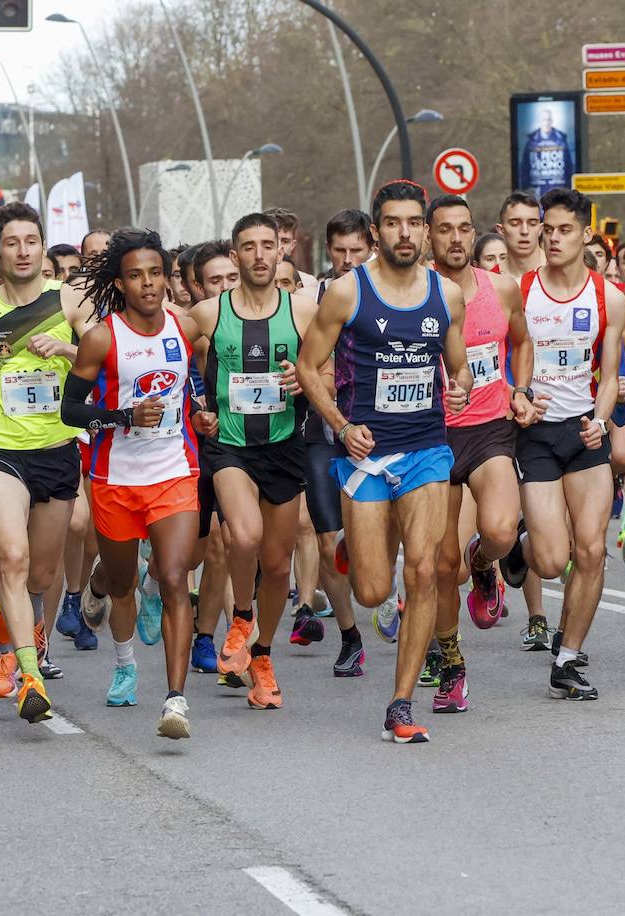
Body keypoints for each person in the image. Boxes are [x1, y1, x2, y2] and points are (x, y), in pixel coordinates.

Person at [297, 180, 472, 744]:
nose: (405, 233)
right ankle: (362, 542)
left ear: (424, 229)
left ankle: (401, 703)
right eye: (393, 223)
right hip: (367, 456)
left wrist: (461, 388)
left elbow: (459, 366)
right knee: (373, 590)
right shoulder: (348, 293)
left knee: (423, 572)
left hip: (425, 448)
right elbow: (307, 366)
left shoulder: (446, 296)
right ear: (376, 232)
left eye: (414, 222)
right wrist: (342, 427)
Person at [0, 201, 95, 724]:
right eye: (12, 242)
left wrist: (66, 350)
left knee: (43, 570)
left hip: (56, 447)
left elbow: (108, 360)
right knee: (11, 555)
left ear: (42, 245)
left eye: (32, 240)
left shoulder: (72, 301)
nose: (24, 250)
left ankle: (21, 638)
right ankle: (29, 673)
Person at [61, 228, 206, 737]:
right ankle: (123, 661)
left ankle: (175, 700)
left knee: (173, 578)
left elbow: (199, 380)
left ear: (167, 278)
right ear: (120, 284)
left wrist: (203, 413)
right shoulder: (103, 337)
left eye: (155, 273)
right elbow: (70, 409)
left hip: (174, 472)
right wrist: (123, 415)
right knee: (122, 583)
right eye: (136, 275)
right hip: (115, 478)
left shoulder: (184, 326)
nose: (148, 284)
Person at [188, 212, 319, 711]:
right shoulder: (209, 313)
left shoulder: (303, 311)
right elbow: (155, 349)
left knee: (276, 565)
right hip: (231, 445)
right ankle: (241, 616)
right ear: (236, 254)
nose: (260, 255)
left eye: (269, 245)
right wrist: (197, 410)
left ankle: (261, 656)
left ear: (280, 253)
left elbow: (327, 375)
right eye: (249, 246)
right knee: (243, 535)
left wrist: (303, 380)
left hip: (284, 445)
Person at [505, 188, 625, 701]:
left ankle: (568, 657)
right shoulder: (519, 290)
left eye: (561, 230)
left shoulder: (608, 297)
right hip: (535, 432)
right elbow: (505, 359)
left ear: (584, 235)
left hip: (583, 432)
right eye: (545, 229)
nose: (550, 238)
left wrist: (601, 420)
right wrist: (518, 396)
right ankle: (518, 547)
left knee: (593, 549)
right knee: (553, 561)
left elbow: (609, 373)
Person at [426, 195, 539, 712]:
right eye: (444, 229)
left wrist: (521, 388)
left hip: (491, 426)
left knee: (498, 530)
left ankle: (484, 564)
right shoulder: (416, 293)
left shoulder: (502, 288)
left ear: (474, 235)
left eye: (463, 228)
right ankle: (452, 664)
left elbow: (522, 341)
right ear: (429, 236)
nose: (455, 238)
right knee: (440, 564)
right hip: (432, 435)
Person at [299, 209, 373, 677]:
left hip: (384, 433)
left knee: (387, 537)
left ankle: (395, 603)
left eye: (357, 251)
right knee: (329, 542)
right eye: (339, 252)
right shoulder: (311, 299)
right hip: (324, 431)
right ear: (328, 251)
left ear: (372, 249)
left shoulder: (394, 293)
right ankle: (350, 637)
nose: (347, 261)